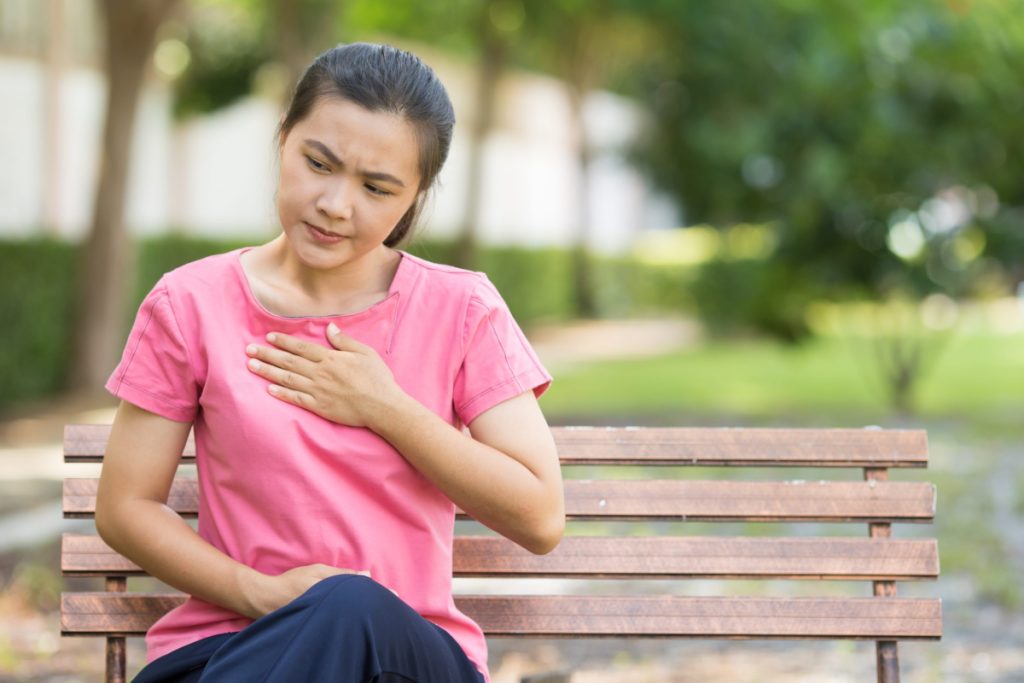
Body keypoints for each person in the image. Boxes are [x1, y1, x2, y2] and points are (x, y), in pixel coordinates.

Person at [95, 42, 564, 683]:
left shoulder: (462, 310)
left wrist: (384, 406)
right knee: (328, 617)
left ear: (416, 196)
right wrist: (258, 593)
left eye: (377, 188)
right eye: (320, 163)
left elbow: (539, 517)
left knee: (349, 605)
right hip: (228, 651)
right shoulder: (191, 303)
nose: (336, 205)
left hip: (406, 658)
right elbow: (125, 506)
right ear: (283, 139)